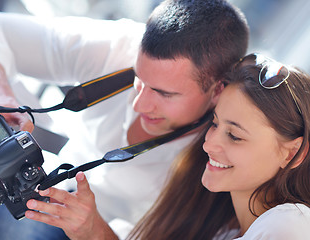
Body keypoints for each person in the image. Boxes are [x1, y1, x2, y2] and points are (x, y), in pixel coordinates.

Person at [0, 0, 249, 239]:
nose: (140, 102)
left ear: (216, 90)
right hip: (42, 194)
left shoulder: (223, 159)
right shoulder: (122, 48)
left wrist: (94, 231)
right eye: (139, 79)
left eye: (164, 93)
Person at [120, 53, 310, 239]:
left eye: (234, 136)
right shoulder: (226, 231)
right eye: (215, 124)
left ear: (291, 153)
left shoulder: (288, 224)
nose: (208, 145)